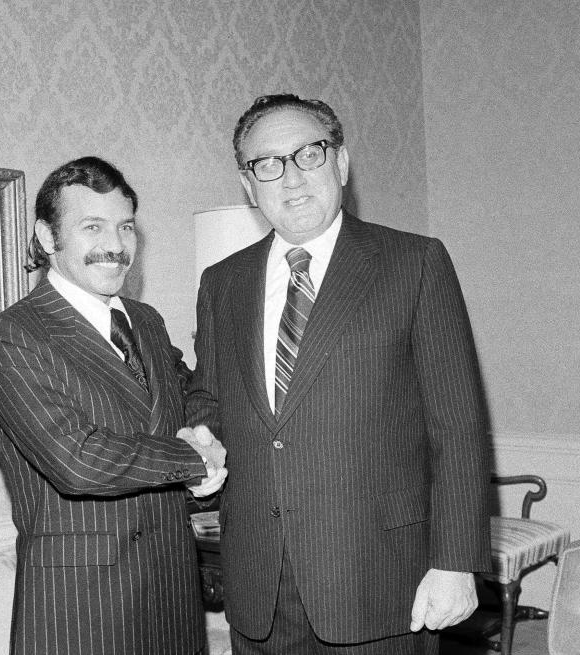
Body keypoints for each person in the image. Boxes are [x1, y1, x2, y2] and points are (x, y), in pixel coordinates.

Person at [185, 94, 491, 654]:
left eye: (309, 154)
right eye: (267, 164)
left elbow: (459, 428)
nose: (291, 179)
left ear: (342, 164)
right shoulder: (222, 282)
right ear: (249, 186)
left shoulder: (414, 263)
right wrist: (200, 436)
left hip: (380, 582)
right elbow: (210, 396)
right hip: (260, 587)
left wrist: (456, 562)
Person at [0, 156, 227, 655]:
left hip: (174, 598)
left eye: (126, 227)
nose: (115, 246)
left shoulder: (146, 321)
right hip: (82, 611)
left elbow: (195, 393)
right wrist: (193, 460)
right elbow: (78, 462)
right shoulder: (11, 337)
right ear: (48, 239)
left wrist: (203, 435)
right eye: (93, 227)